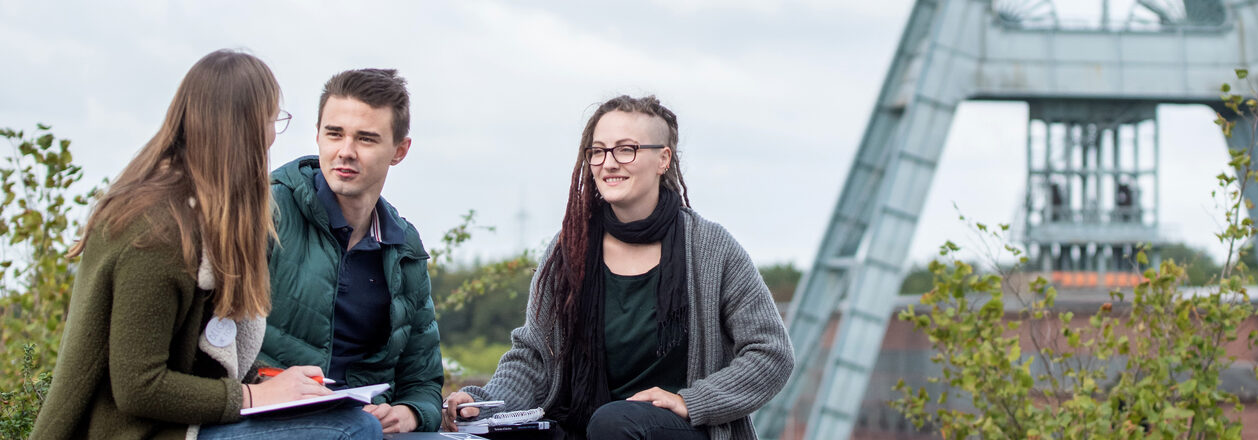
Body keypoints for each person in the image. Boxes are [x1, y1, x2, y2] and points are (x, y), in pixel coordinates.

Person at [31, 49, 381, 439]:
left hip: (192, 423)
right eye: (271, 120)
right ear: (244, 128)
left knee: (353, 422)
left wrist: (282, 388)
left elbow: (206, 356)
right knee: (351, 432)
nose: (271, 136)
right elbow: (138, 387)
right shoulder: (155, 232)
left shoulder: (216, 217)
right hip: (141, 431)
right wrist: (253, 396)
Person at [442, 95, 794, 439]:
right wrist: (484, 402)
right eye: (598, 151)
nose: (609, 163)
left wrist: (692, 401)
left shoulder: (711, 249)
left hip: (679, 428)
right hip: (583, 422)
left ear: (663, 159)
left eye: (626, 149)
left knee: (613, 422)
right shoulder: (570, 247)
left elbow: (771, 353)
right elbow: (535, 356)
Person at [260, 68, 442, 433]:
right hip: (269, 418)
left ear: (399, 151)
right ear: (317, 136)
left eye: (366, 139)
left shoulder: (404, 247)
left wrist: (408, 413)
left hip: (363, 426)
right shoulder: (266, 213)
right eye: (334, 134)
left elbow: (423, 382)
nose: (345, 151)